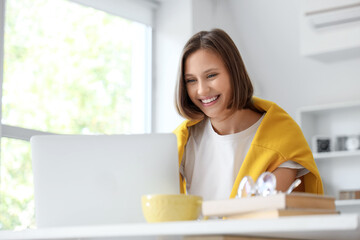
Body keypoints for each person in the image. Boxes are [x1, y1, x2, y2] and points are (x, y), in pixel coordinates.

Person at [173, 28, 323, 201]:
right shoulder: (181, 142)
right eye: (191, 80)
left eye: (211, 75)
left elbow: (262, 214)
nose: (202, 90)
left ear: (234, 72)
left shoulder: (282, 137)